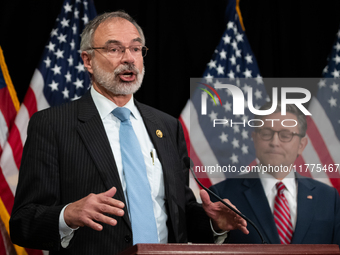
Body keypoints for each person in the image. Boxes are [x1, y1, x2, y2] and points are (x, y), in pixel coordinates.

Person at [9, 11, 248, 255]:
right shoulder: (52, 125)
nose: (129, 59)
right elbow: (22, 222)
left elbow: (178, 213)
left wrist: (213, 223)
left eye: (136, 49)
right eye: (115, 50)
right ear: (87, 60)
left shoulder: (167, 126)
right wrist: (67, 215)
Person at [209, 102, 340, 245]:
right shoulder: (221, 195)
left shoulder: (328, 198)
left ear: (301, 145)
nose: (275, 142)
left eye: (285, 135)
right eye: (266, 133)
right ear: (254, 139)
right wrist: (217, 229)